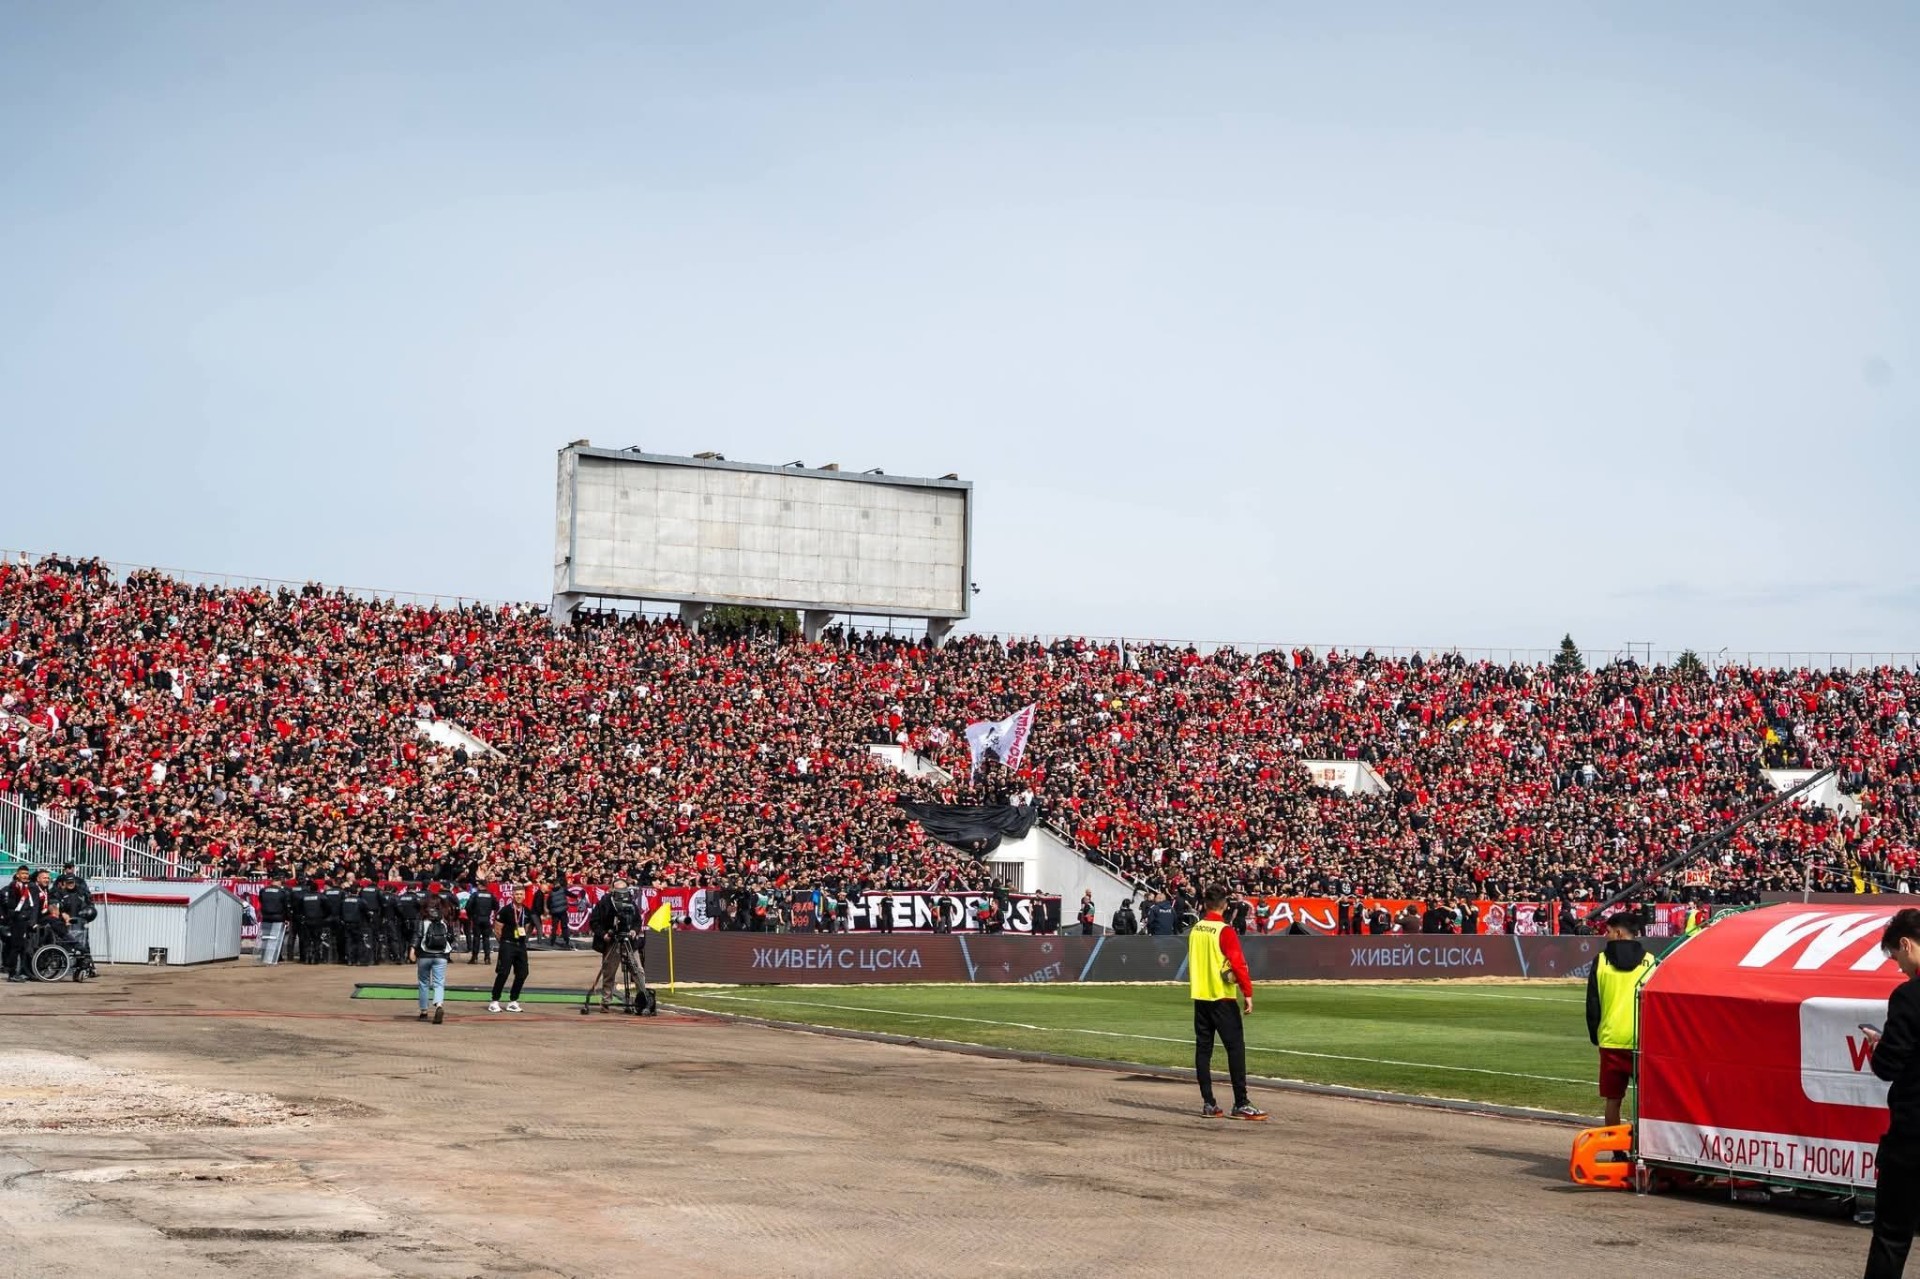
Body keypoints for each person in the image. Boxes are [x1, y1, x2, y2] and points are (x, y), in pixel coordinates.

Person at [1865, 908, 1920, 1278]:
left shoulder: (1909, 996)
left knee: (1892, 1236)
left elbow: (1888, 1066)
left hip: (1913, 1137)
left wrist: (1878, 1047)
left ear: (1906, 944)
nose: (1900, 967)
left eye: (1897, 957)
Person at [1189, 884, 1266, 1121]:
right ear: (1224, 905)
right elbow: (1238, 963)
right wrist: (1247, 992)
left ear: (1205, 904)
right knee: (1235, 1048)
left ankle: (1209, 1103)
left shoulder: (1196, 929)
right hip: (1222, 997)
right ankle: (1241, 1102)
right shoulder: (1224, 930)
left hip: (1200, 997)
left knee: (1203, 1050)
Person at [1585, 912, 1655, 1128]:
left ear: (1618, 933)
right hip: (1642, 1040)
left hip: (1611, 1039)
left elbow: (1593, 1003)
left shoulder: (1601, 961)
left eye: (1608, 931)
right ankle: (1643, 1145)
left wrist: (1595, 1035)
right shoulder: (1651, 961)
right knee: (1646, 1102)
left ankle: (1615, 1145)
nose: (1606, 936)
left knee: (1613, 1100)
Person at [583, 879, 644, 1014]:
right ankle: (606, 1002)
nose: (622, 894)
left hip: (629, 940)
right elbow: (594, 922)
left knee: (638, 971)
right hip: (612, 941)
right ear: (612, 890)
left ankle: (642, 1000)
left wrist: (634, 930)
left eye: (624, 890)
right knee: (609, 973)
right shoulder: (604, 903)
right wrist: (603, 934)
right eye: (619, 891)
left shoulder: (630, 902)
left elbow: (637, 921)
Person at [488, 888, 532, 1013]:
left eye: (521, 894)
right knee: (503, 972)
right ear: (513, 895)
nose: (519, 896)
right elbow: (497, 929)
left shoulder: (526, 911)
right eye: (516, 894)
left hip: (521, 945)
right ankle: (494, 1001)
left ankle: (513, 1001)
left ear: (524, 896)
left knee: (523, 973)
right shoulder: (505, 910)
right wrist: (504, 943)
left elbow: (527, 928)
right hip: (507, 944)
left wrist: (523, 939)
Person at [414, 896, 454, 1024]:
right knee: (439, 983)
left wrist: (412, 949)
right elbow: (451, 937)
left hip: (424, 955)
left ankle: (424, 1011)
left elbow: (417, 936)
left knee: (423, 982)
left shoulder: (422, 920)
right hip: (441, 956)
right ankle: (439, 1005)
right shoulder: (445, 921)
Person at [5, 865, 37, 982]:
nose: (25, 876)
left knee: (23, 948)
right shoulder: (14, 886)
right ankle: (12, 973)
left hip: (25, 920)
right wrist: (16, 917)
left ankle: (23, 972)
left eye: (27, 874)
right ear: (17, 875)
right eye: (23, 873)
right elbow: (11, 905)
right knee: (16, 947)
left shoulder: (29, 887)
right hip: (17, 921)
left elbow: (30, 904)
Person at [255, 879, 289, 964]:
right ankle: (277, 957)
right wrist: (287, 918)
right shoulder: (282, 892)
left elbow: (261, 901)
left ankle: (264, 955)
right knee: (277, 938)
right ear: (279, 884)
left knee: (265, 937)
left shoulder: (263, 890)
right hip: (278, 917)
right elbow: (285, 906)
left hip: (266, 916)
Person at [466, 881, 498, 964]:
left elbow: (468, 906)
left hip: (477, 918)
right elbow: (496, 906)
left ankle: (474, 958)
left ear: (480, 885)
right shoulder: (491, 895)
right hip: (486, 919)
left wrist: (471, 915)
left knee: (476, 938)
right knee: (486, 938)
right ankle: (487, 958)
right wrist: (489, 909)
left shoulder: (475, 895)